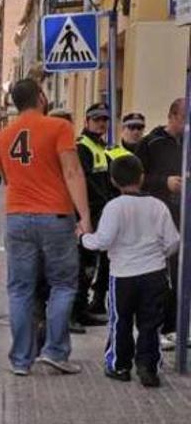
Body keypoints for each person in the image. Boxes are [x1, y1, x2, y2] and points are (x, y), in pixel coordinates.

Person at [0, 79, 91, 376]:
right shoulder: (59, 128)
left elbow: (8, 178)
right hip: (56, 216)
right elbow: (72, 171)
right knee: (62, 284)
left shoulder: (2, 137)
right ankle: (55, 351)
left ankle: (21, 360)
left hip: (17, 216)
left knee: (20, 289)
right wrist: (84, 216)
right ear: (41, 97)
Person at [80, 155, 178, 388]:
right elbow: (173, 241)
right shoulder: (158, 206)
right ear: (142, 177)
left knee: (120, 321)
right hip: (154, 274)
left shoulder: (114, 207)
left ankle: (119, 365)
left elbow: (102, 241)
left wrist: (84, 238)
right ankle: (148, 367)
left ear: (113, 181)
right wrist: (159, 255)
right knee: (150, 324)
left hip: (122, 276)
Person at [137, 98, 185, 350]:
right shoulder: (151, 143)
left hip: (185, 215)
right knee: (161, 274)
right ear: (172, 116)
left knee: (182, 273)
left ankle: (178, 326)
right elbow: (139, 179)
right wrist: (164, 182)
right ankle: (161, 327)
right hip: (159, 215)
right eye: (185, 117)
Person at [72, 103, 115, 332]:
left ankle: (82, 310)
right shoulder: (83, 147)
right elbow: (83, 182)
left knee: (90, 264)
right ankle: (73, 314)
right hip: (86, 214)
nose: (101, 123)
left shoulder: (100, 147)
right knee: (81, 265)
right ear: (87, 122)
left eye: (105, 120)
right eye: (97, 119)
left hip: (99, 213)